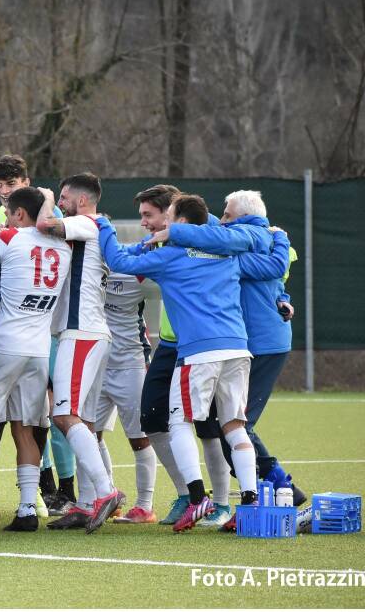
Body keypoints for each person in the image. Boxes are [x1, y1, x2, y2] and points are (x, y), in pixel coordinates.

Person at [97, 194, 258, 533]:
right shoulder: (226, 249)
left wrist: (102, 225)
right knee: (234, 425)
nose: (165, 223)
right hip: (238, 348)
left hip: (199, 352)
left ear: (182, 223)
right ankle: (250, 501)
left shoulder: (170, 256)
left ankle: (198, 497)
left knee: (179, 421)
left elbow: (118, 260)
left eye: (169, 217)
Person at [155, 189, 304, 523]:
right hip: (244, 342)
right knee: (230, 427)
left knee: (237, 426)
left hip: (261, 343)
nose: (220, 219)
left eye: (226, 214)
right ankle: (258, 496)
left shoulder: (239, 243)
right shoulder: (251, 236)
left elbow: (277, 266)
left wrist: (173, 231)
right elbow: (275, 278)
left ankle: (280, 489)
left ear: (244, 218)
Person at [0, 187, 72, 533]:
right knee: (26, 427)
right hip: (40, 348)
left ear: (21, 214)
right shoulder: (65, 245)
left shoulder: (9, 238)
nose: (6, 219)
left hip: (5, 342)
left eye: (10, 213)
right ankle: (27, 507)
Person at [35, 173, 124, 534]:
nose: (60, 201)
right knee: (84, 421)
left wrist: (41, 197)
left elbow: (45, 223)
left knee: (63, 414)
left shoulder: (87, 221)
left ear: (82, 200)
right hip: (92, 332)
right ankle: (88, 504)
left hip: (81, 333)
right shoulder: (92, 225)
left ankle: (104, 492)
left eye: (64, 197)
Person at [95, 271, 158, 523]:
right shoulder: (90, 268)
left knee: (139, 438)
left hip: (131, 365)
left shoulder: (137, 274)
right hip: (98, 363)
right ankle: (108, 496)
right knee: (89, 434)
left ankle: (145, 506)